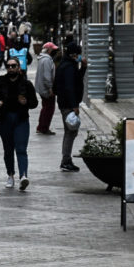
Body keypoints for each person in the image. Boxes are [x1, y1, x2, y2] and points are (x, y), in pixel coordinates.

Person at [0, 57, 39, 190]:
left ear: (18, 67)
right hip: (5, 120)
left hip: (21, 119)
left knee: (21, 149)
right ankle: (10, 175)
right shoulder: (1, 83)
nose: (11, 68)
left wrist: (26, 102)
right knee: (8, 149)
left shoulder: (26, 84)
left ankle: (23, 176)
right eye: (8, 66)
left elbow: (35, 103)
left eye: (13, 66)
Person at [54, 43, 87, 171]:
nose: (79, 56)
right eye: (78, 54)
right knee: (70, 131)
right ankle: (66, 160)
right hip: (68, 104)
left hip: (66, 103)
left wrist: (83, 67)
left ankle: (66, 159)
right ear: (73, 54)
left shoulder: (68, 64)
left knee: (71, 131)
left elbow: (77, 79)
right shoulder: (68, 66)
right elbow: (69, 87)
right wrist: (74, 105)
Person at [35, 42, 59, 135]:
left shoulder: (43, 59)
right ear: (49, 50)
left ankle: (41, 126)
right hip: (46, 89)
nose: (54, 51)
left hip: (43, 88)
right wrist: (50, 88)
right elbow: (46, 76)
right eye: (53, 49)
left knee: (46, 107)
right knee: (49, 108)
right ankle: (43, 127)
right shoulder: (46, 60)